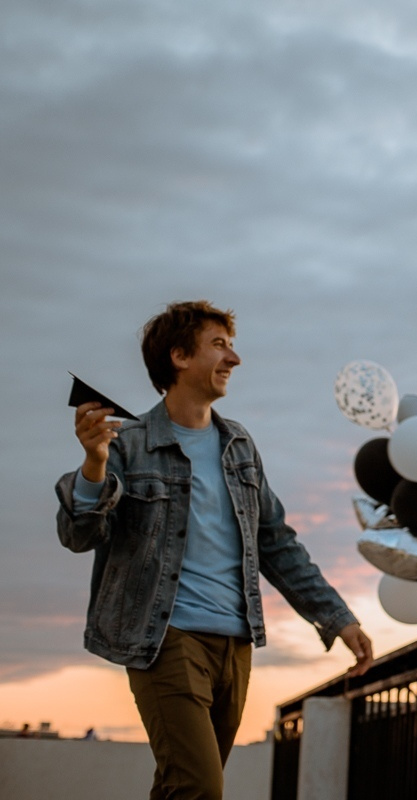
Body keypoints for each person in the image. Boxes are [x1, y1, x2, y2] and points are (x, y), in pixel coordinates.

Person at [55, 300, 374, 800]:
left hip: (235, 645)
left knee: (180, 787)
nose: (234, 358)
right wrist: (94, 464)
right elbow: (79, 535)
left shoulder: (238, 445)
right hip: (165, 640)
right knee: (200, 786)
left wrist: (337, 617)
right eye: (219, 345)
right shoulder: (127, 443)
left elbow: (276, 543)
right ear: (180, 356)